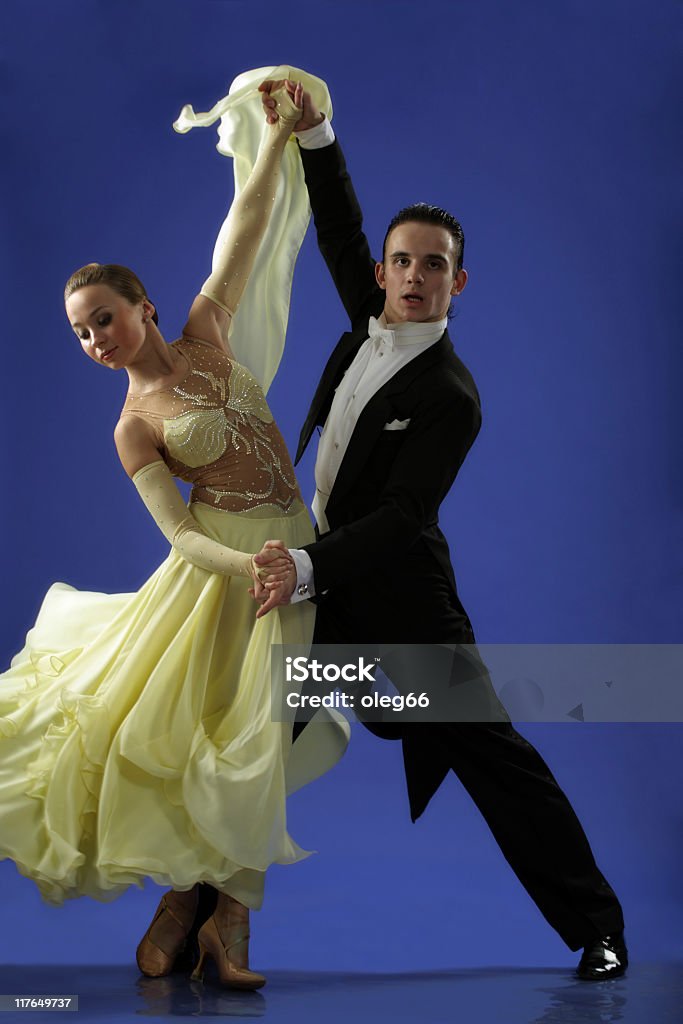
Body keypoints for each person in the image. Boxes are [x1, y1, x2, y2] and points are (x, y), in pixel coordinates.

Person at [253, 78, 628, 981]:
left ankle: (597, 927)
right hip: (320, 591)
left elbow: (402, 515)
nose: (413, 277)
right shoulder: (364, 321)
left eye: (433, 265)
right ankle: (194, 923)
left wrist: (305, 567)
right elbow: (339, 224)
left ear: (457, 282)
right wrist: (320, 130)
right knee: (250, 740)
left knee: (495, 761)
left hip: (400, 608)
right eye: (401, 261)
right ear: (383, 272)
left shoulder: (451, 395)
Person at [0, 76, 347, 991]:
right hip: (231, 575)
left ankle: (196, 909)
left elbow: (249, 224)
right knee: (228, 740)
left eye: (102, 319)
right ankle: (219, 921)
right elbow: (181, 535)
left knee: (264, 737)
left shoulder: (206, 335)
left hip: (292, 553)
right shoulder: (133, 425)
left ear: (143, 306)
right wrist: (253, 566)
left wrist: (274, 139)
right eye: (79, 335)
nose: (95, 341)